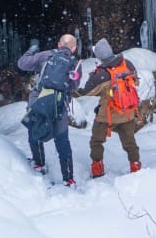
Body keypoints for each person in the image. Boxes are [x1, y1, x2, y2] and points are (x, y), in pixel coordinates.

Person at [17, 34, 81, 187]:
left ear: (59, 44)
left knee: (35, 129)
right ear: (74, 48)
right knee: (62, 140)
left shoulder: (45, 55)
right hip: (59, 105)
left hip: (39, 100)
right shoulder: (75, 63)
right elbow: (74, 86)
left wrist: (31, 50)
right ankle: (68, 178)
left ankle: (39, 163)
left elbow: (22, 64)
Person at [81, 38, 141, 178]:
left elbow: (88, 91)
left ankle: (97, 167)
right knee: (130, 142)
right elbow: (136, 82)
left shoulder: (102, 73)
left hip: (108, 114)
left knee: (96, 141)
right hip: (127, 111)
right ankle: (135, 166)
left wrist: (92, 76)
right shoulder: (128, 64)